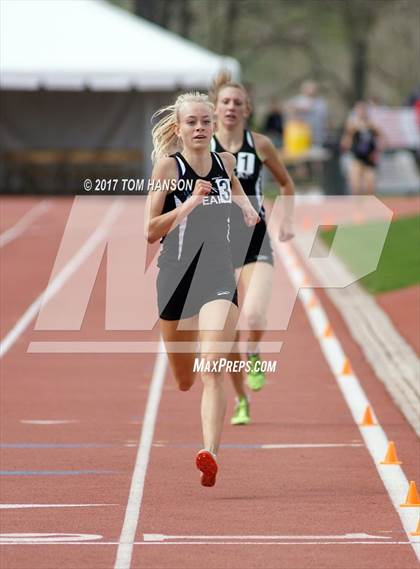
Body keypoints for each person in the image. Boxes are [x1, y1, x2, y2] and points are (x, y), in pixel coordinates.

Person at [145, 92, 259, 487]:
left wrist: (245, 206)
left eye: (205, 122)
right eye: (191, 122)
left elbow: (234, 186)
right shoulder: (168, 168)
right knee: (184, 379)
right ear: (179, 128)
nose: (199, 128)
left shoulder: (224, 161)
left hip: (217, 275)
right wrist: (188, 205)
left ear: (213, 127)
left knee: (211, 367)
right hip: (175, 276)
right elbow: (149, 231)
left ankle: (209, 452)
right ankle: (190, 360)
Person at [209, 72, 295, 426]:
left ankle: (255, 351)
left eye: (237, 103)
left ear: (247, 110)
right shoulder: (201, 146)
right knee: (225, 333)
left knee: (255, 316)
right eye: (225, 102)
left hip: (255, 239)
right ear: (215, 109)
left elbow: (286, 185)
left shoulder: (259, 145)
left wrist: (286, 220)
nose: (231, 107)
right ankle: (241, 398)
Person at [341, 101, 383, 195]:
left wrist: (378, 149)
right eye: (359, 110)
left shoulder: (371, 125)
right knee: (356, 187)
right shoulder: (352, 125)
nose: (362, 112)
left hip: (369, 159)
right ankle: (357, 208)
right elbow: (344, 143)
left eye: (363, 109)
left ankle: (369, 206)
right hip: (356, 158)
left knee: (370, 186)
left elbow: (382, 138)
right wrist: (350, 134)